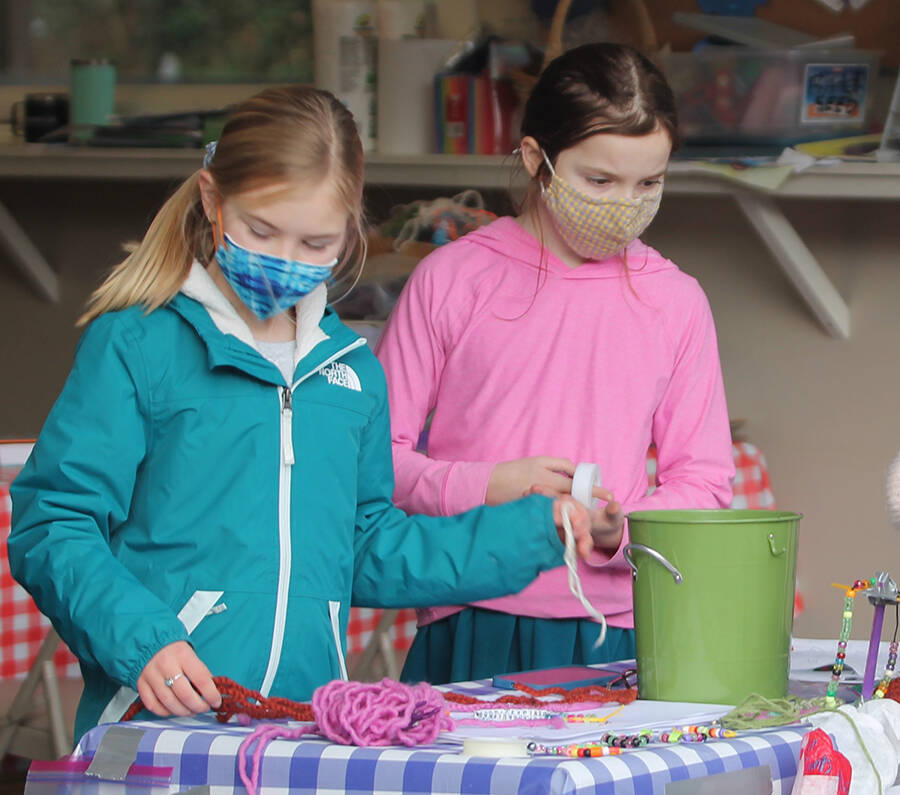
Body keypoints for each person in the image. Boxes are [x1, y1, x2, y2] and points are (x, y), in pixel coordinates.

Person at [7, 85, 595, 743]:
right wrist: (141, 639)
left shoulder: (354, 373)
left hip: (299, 737)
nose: (284, 262)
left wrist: (531, 532)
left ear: (349, 232)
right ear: (212, 198)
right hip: (157, 731)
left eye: (315, 243)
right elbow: (54, 522)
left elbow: (366, 546)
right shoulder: (137, 344)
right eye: (261, 231)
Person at [375, 43, 736, 685]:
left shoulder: (676, 301)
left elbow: (704, 483)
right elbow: (374, 461)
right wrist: (490, 486)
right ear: (535, 158)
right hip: (471, 609)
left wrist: (621, 532)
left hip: (615, 630)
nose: (624, 204)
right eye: (599, 181)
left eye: (648, 183)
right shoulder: (450, 281)